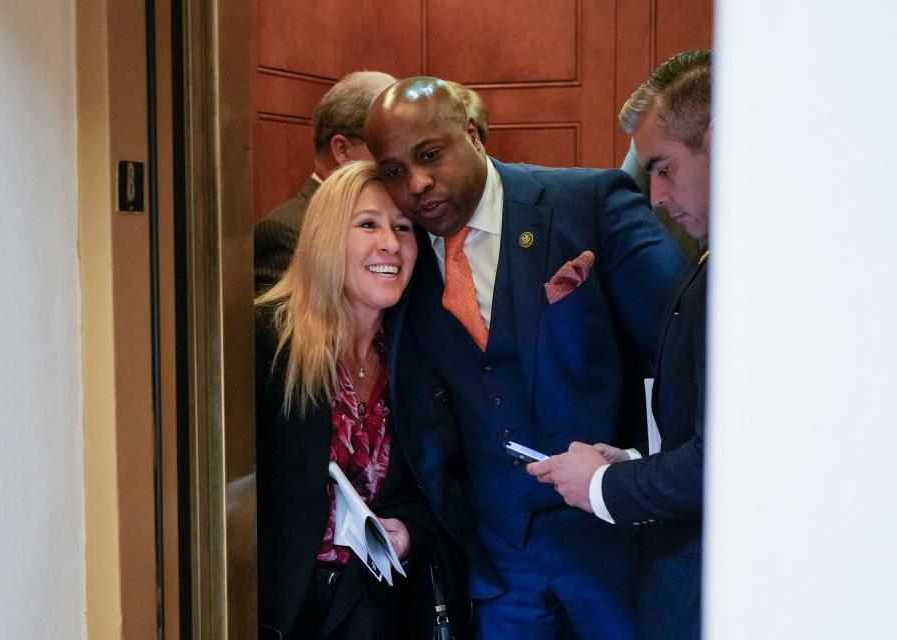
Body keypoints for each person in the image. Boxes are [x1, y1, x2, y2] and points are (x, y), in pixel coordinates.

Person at [364, 77, 686, 639]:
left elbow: (685, 345)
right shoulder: (403, 258)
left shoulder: (587, 203)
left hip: (615, 545)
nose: (416, 183)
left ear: (473, 134)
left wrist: (646, 467)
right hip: (497, 566)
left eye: (431, 155)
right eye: (394, 172)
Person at [527, 49, 712, 640]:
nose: (655, 196)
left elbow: (734, 461)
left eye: (664, 167)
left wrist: (605, 486)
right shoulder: (713, 260)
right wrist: (634, 464)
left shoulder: (762, 273)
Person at [254, 160, 467, 639]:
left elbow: (449, 479)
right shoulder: (265, 342)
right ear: (327, 237)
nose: (390, 243)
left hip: (380, 611)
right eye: (368, 224)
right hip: (282, 614)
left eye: (404, 228)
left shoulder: (419, 356)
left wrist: (410, 533)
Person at [254, 71, 396, 292]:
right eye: (387, 144)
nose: (399, 159)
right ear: (342, 149)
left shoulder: (400, 221)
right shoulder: (287, 233)